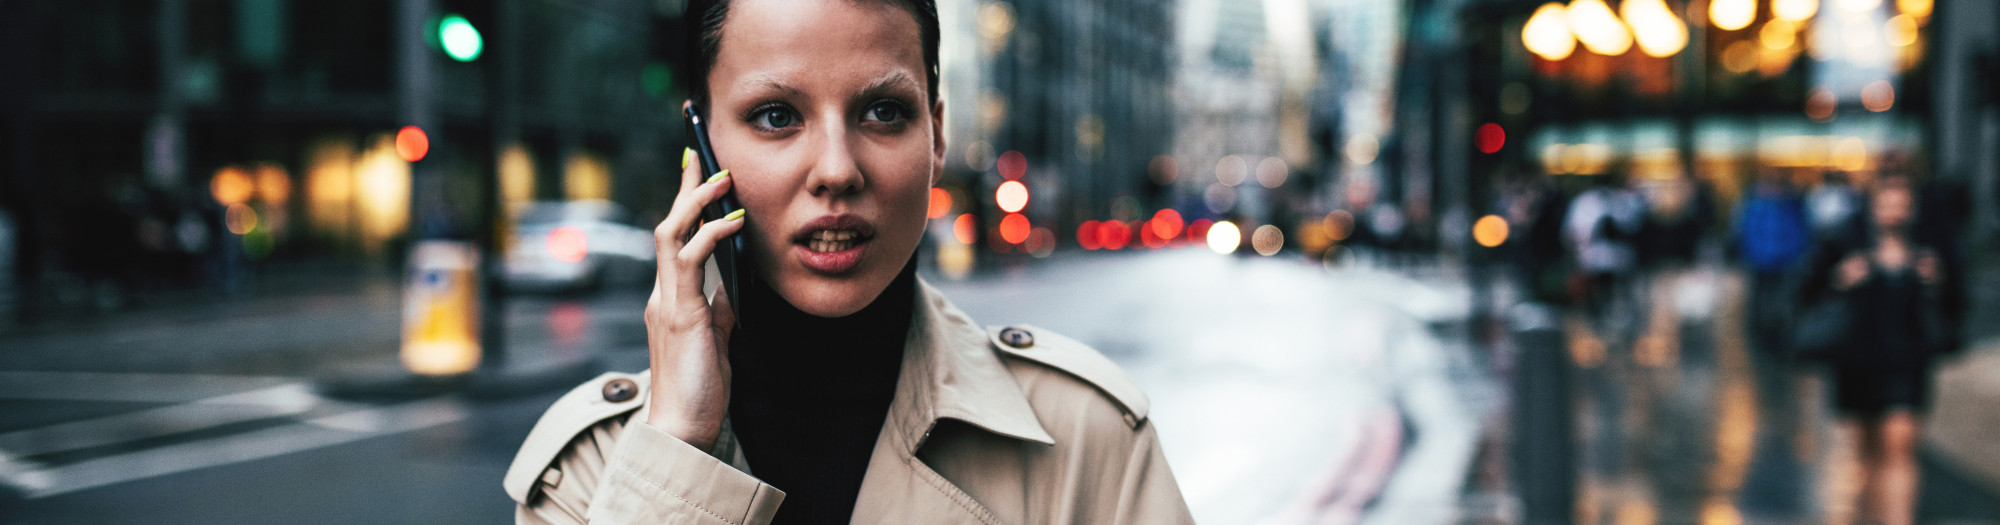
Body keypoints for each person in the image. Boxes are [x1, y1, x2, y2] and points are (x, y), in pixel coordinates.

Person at [503, 1, 1194, 523]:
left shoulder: (1086, 439)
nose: (836, 170)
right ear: (701, 146)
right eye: (776, 115)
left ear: (938, 134)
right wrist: (677, 444)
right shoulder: (589, 468)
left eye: (884, 112)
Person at [1800, 178, 1950, 525]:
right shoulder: (1844, 245)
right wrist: (1839, 281)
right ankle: (1870, 516)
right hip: (1858, 362)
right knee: (1865, 451)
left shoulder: (1928, 251)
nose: (1894, 212)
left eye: (1901, 204)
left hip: (1906, 363)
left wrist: (1938, 283)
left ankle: (1899, 518)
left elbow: (1954, 308)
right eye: (1886, 204)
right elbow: (1807, 293)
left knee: (1899, 445)